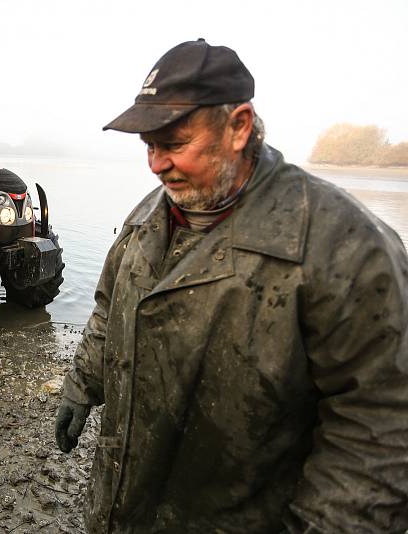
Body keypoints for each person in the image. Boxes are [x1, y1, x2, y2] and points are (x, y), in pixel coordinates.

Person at [55, 39, 408, 533]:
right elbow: (109, 309)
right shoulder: (144, 219)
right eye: (149, 146)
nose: (156, 165)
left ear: (239, 126)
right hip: (126, 507)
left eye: (174, 144)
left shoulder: (342, 245)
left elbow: (381, 426)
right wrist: (81, 384)